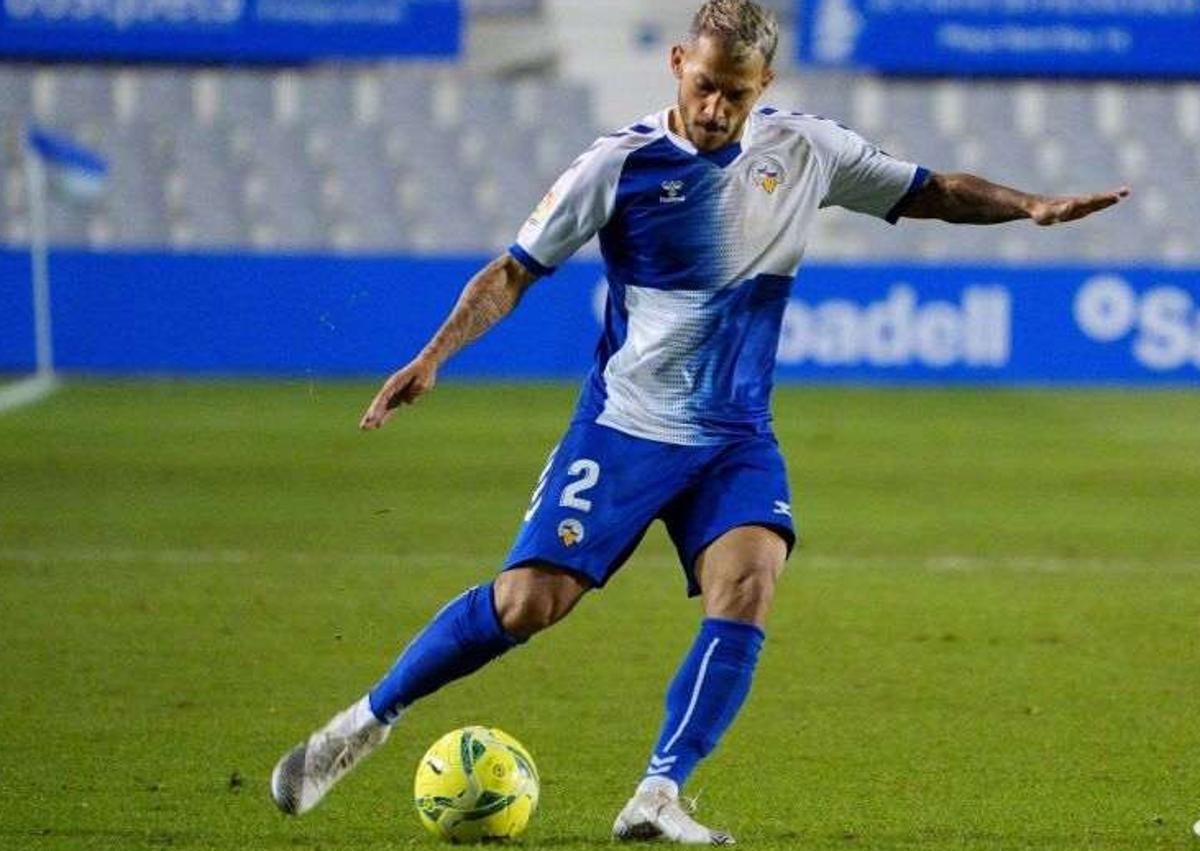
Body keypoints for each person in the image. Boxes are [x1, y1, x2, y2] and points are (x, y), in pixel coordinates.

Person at [270, 0, 1128, 843]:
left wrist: (1029, 206)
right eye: (707, 86)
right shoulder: (619, 164)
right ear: (679, 64)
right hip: (626, 426)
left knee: (751, 580)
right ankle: (366, 720)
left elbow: (930, 190)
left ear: (766, 86)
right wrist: (432, 355)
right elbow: (515, 269)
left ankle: (657, 790)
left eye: (738, 95)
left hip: (734, 435)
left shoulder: (805, 149)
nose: (717, 109)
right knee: (529, 603)